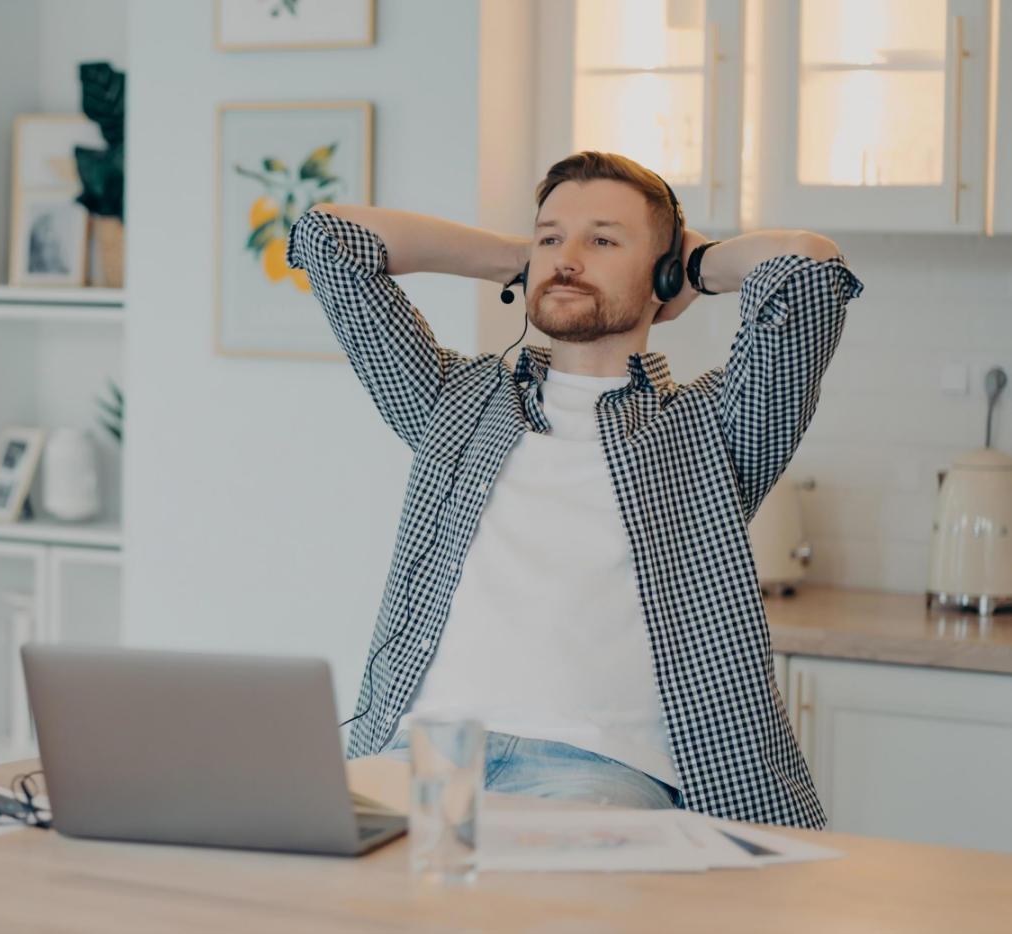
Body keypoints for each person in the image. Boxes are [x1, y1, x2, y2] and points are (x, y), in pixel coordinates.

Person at [285, 151, 863, 828]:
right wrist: (518, 259)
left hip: (596, 771)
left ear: (663, 273)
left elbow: (809, 269)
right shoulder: (457, 402)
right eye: (552, 236)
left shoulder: (713, 427)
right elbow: (327, 239)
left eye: (603, 241)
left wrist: (697, 267)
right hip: (422, 755)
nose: (568, 259)